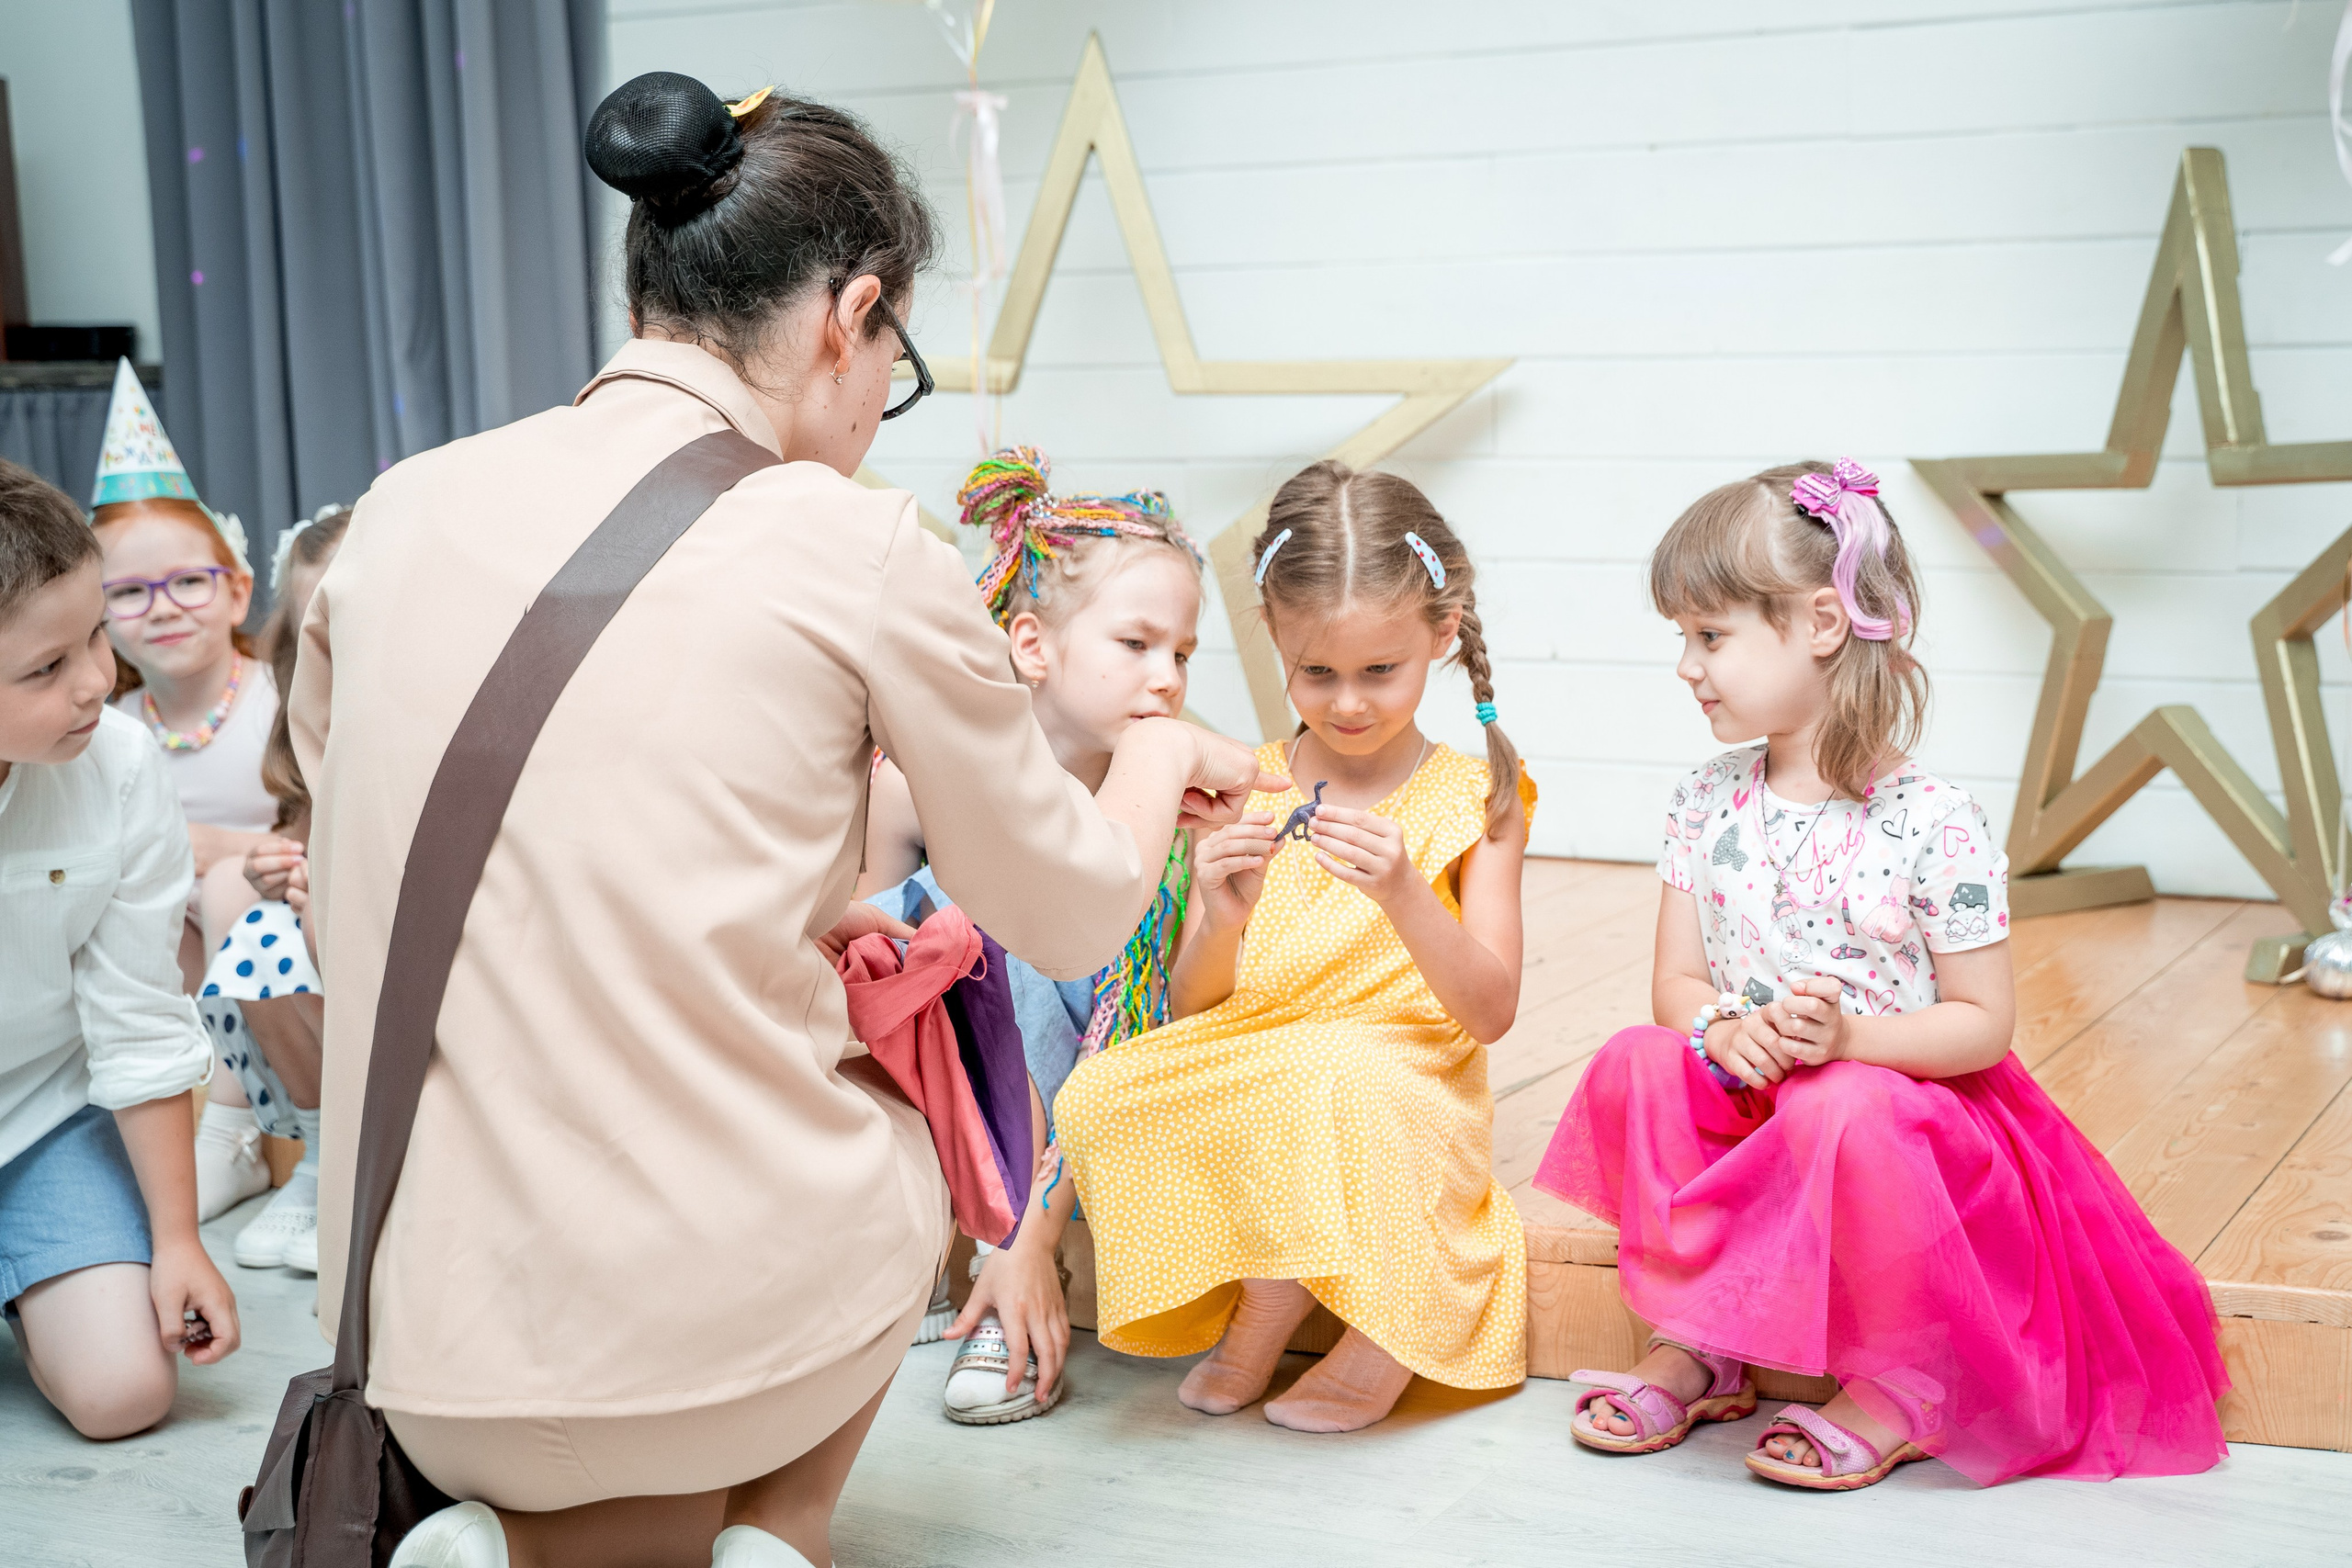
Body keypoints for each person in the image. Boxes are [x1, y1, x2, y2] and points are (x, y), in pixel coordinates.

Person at [296, 73, 1272, 1568]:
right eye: (899, 359)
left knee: (595, 1475)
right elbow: (1069, 912)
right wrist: (1161, 750)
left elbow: (355, 875)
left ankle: (515, 1536)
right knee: (919, 1078)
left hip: (407, 1325)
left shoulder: (395, 512)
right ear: (850, 313)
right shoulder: (851, 538)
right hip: (706, 1333)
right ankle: (782, 1532)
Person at [1532, 459, 2227, 1489]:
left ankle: (1908, 1380)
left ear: (1820, 624)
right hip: (1759, 1100)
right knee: (1642, 1060)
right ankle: (1703, 1339)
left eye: (1709, 636)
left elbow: (1981, 1026)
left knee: (1839, 1103)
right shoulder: (1703, 799)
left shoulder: (1932, 820)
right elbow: (1675, 984)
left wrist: (1850, 1041)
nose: (1686, 664)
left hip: (1901, 1127)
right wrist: (1720, 1030)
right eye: (1681, 637)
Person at [1052, 460, 1532, 1436]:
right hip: (1267, 1055)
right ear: (1273, 637)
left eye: (1378, 673)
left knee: (1333, 1070)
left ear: (1440, 638)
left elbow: (1488, 1012)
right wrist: (1225, 912)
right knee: (1099, 1092)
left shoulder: (1476, 798)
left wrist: (1404, 893)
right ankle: (1276, 1280)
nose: (1347, 703)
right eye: (1318, 673)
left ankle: (1390, 1326)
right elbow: (1194, 1005)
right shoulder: (1248, 780)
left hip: (1400, 1078)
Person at [857, 446, 1206, 1426]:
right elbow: (854, 963)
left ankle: (1009, 1259)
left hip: (1083, 1123)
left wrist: (1029, 1237)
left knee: (1010, 920)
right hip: (945, 1098)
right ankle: (918, 1240)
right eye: (1135, 644)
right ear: (1032, 644)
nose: (1167, 678)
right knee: (933, 915)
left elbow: (1120, 1038)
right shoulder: (921, 776)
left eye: (1182, 653)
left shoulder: (1163, 806)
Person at [0, 457, 240, 1438]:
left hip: (42, 1117)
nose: (101, 681)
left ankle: (49, 1268)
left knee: (125, 1394)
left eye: (96, 633)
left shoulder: (120, 765)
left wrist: (176, 1240)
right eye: (46, 669)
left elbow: (137, 1017)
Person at [86, 359, 279, 1222]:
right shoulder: (110, 727)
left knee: (225, 886)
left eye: (188, 581)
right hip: (166, 960)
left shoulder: (279, 700)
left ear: (236, 588)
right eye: (127, 592)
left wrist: (217, 850)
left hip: (270, 933)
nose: (162, 607)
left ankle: (236, 1128)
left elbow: (323, 830)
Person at [198, 507, 352, 1276]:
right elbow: (301, 834)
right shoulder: (306, 725)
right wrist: (282, 871)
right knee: (256, 931)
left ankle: (361, 1175)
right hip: (338, 940)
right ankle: (321, 1162)